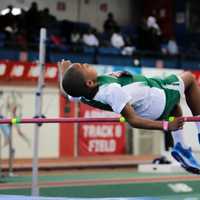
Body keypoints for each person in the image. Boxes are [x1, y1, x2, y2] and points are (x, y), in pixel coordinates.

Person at [59, 60, 200, 174]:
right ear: (89, 83)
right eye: (84, 67)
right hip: (156, 98)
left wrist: (63, 73)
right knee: (189, 78)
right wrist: (166, 126)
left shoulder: (83, 95)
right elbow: (132, 120)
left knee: (175, 108)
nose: (87, 64)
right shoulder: (110, 91)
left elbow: (67, 93)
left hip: (153, 98)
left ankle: (181, 147)